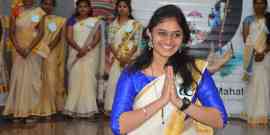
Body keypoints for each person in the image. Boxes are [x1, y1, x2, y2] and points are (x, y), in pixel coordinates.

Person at [111, 5, 228, 135]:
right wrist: (161, 101)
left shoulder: (195, 70)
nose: (169, 40)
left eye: (176, 34)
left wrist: (181, 104)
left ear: (183, 37)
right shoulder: (132, 74)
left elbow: (220, 119)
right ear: (150, 34)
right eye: (162, 33)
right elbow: (118, 126)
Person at [3, 0, 46, 122]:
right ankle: (17, 110)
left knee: (33, 80)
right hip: (18, 50)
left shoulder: (39, 12)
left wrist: (28, 49)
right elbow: (11, 32)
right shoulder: (15, 11)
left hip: (33, 50)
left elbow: (41, 33)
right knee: (17, 79)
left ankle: (31, 112)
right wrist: (18, 48)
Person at [104, 0, 143, 114]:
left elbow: (136, 43)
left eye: (124, 6)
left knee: (129, 83)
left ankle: (128, 108)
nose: (121, 8)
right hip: (116, 59)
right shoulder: (112, 25)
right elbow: (111, 43)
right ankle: (112, 108)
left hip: (131, 59)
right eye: (119, 6)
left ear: (129, 9)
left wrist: (127, 58)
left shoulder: (136, 24)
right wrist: (119, 58)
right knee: (114, 83)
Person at [64, 0, 101, 118]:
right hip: (76, 54)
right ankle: (71, 109)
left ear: (90, 8)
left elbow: (97, 38)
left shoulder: (95, 21)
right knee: (74, 80)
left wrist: (87, 49)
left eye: (85, 7)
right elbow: (69, 37)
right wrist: (79, 49)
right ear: (77, 8)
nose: (83, 9)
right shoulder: (71, 20)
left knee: (89, 81)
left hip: (89, 55)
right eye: (80, 7)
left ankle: (89, 110)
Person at [30, 0, 66, 117]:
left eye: (50, 4)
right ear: (41, 5)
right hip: (35, 52)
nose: (48, 6)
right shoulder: (34, 17)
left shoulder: (59, 20)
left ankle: (51, 108)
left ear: (54, 6)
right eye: (45, 3)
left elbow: (59, 37)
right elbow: (29, 33)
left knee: (51, 79)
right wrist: (39, 48)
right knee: (36, 79)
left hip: (51, 52)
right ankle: (35, 108)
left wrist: (47, 49)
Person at [242, 0, 270, 127]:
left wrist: (263, 52)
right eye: (256, 3)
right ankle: (253, 115)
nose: (259, 5)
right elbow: (246, 39)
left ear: (266, 5)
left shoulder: (269, 18)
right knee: (254, 86)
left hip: (267, 56)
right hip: (252, 57)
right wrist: (255, 53)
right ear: (253, 5)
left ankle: (265, 115)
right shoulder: (248, 20)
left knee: (265, 85)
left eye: (262, 3)